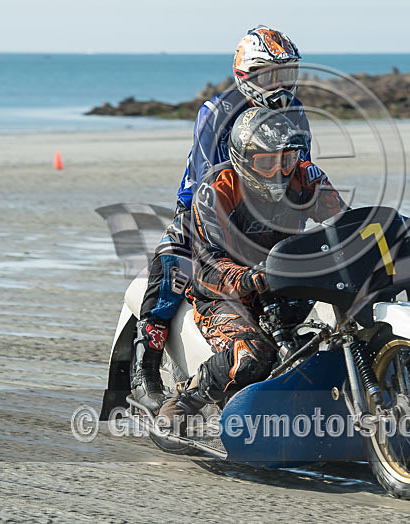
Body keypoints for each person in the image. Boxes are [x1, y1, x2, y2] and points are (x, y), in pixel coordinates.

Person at [131, 26, 313, 413]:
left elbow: (302, 170)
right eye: (272, 75)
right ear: (246, 75)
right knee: (173, 267)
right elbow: (207, 182)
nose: (282, 86)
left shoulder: (296, 113)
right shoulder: (217, 112)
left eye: (289, 74)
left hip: (270, 216)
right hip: (205, 210)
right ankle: (144, 371)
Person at [156, 107, 346, 427]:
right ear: (243, 160)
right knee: (253, 354)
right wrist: (246, 277)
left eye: (287, 160)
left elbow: (341, 221)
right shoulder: (216, 188)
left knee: (336, 335)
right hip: (223, 293)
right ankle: (186, 397)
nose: (279, 171)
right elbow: (208, 262)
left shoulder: (306, 175)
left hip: (283, 282)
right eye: (267, 163)